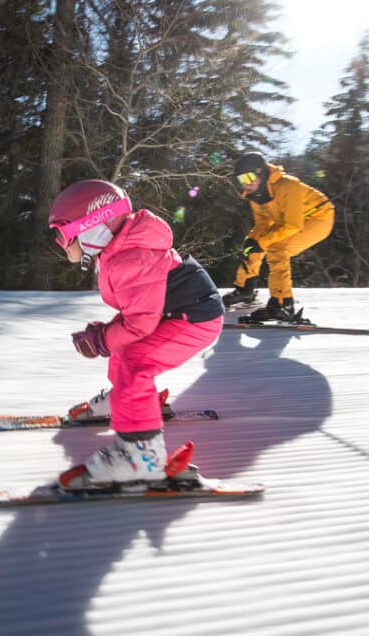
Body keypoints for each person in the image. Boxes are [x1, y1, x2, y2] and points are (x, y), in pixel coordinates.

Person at [47, 178, 225, 488]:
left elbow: (139, 324)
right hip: (176, 312)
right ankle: (127, 401)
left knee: (135, 362)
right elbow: (137, 312)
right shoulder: (121, 250)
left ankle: (141, 456)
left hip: (194, 319)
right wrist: (105, 336)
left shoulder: (129, 257)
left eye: (62, 234)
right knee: (125, 351)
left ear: (93, 225)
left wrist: (102, 339)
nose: (62, 244)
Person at [221, 152, 335, 322]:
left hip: (318, 217)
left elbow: (293, 225)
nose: (246, 184)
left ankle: (282, 305)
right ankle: (246, 290)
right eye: (241, 179)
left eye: (249, 177)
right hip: (288, 220)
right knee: (253, 245)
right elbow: (262, 224)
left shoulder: (288, 185)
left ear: (260, 172)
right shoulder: (255, 195)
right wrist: (252, 241)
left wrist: (262, 241)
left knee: (277, 248)